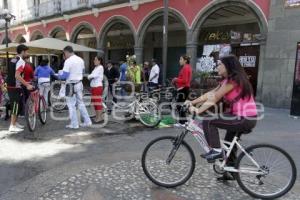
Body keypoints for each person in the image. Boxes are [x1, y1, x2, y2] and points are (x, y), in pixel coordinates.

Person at [187, 55, 257, 180]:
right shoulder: (226, 81)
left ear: (228, 66)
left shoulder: (234, 80)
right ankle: (230, 172)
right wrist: (191, 102)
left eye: (220, 64)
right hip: (240, 116)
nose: (217, 66)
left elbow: (215, 98)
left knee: (208, 120)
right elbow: (210, 94)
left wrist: (198, 110)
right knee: (229, 144)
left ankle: (216, 151)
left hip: (244, 117)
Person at [58, 46, 92, 129]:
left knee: (71, 105)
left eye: (64, 53)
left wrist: (59, 75)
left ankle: (74, 124)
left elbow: (64, 75)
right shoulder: (80, 60)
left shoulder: (68, 61)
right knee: (81, 103)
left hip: (70, 85)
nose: (64, 55)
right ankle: (88, 121)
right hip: (79, 83)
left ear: (66, 52)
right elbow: (83, 71)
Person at [6, 44, 33, 132]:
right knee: (15, 105)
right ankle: (12, 125)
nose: (27, 53)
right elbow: (17, 75)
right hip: (14, 86)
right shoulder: (21, 61)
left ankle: (15, 123)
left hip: (11, 85)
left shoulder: (13, 59)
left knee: (17, 105)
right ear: (22, 52)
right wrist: (27, 85)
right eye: (27, 52)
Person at [172, 55, 192, 125]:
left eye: (181, 59)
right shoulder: (186, 67)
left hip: (183, 88)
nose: (179, 61)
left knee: (179, 105)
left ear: (185, 61)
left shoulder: (186, 68)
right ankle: (184, 121)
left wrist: (175, 79)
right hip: (183, 88)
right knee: (180, 105)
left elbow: (185, 80)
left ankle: (182, 122)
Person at [88, 56, 104, 123]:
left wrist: (89, 76)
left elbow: (93, 76)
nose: (94, 61)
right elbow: (91, 76)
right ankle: (98, 117)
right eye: (94, 59)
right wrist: (90, 76)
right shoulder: (96, 68)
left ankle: (99, 118)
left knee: (98, 103)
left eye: (96, 60)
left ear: (99, 61)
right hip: (94, 87)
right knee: (95, 103)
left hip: (97, 87)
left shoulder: (100, 67)